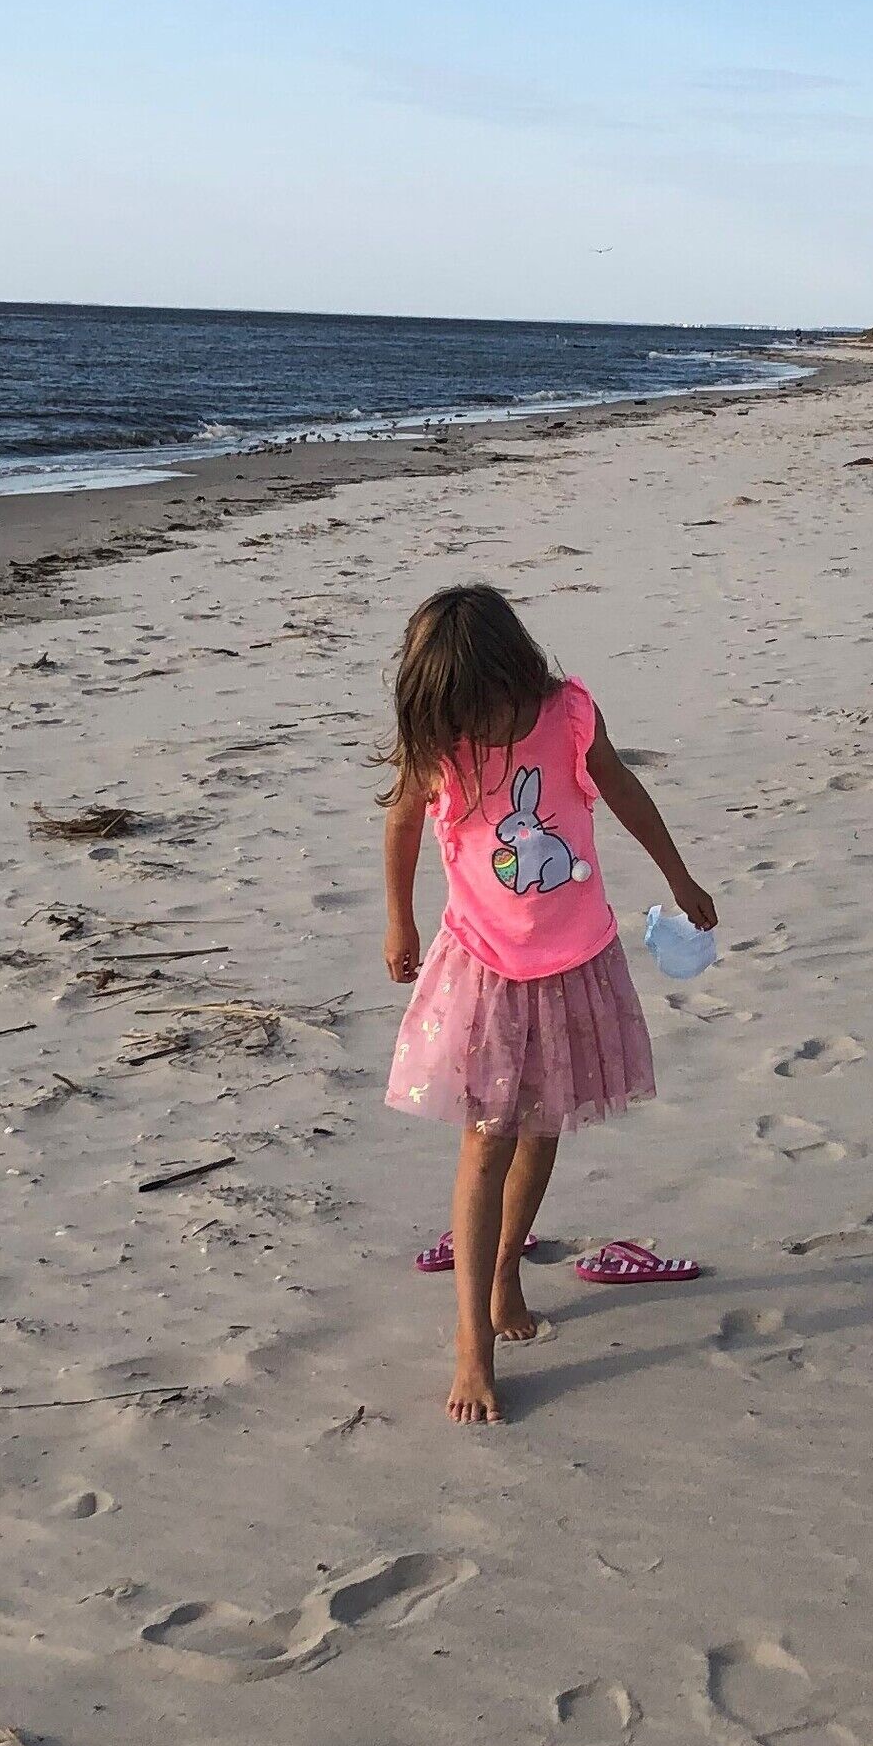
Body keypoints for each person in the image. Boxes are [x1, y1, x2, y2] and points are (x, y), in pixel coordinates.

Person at [382, 583, 718, 1425]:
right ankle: (472, 1345)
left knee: (543, 1125)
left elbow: (623, 791)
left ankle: (505, 1270)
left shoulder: (568, 714)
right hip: (484, 968)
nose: (477, 721)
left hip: (574, 958)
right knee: (485, 1142)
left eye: (482, 701)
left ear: (514, 670)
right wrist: (400, 921)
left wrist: (679, 877)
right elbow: (402, 825)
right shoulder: (442, 746)